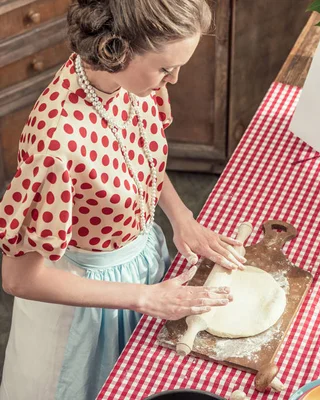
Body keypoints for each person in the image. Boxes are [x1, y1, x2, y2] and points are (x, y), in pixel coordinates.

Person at [0, 1, 246, 398]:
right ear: (117, 49)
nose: (175, 79)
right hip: (83, 303)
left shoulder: (127, 81)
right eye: (166, 68)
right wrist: (144, 297)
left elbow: (138, 155)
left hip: (141, 269)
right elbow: (17, 278)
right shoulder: (57, 143)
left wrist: (182, 217)